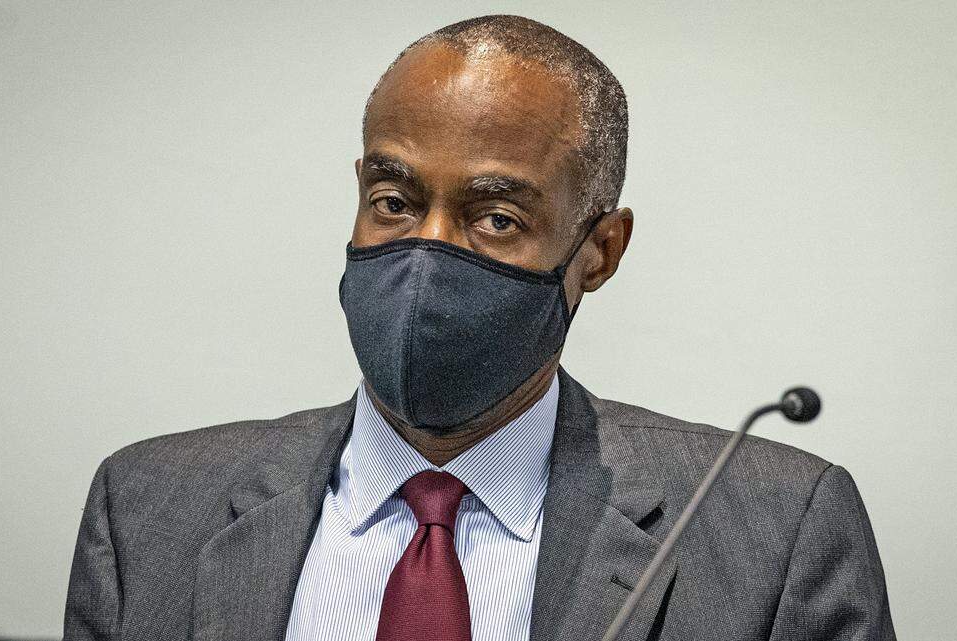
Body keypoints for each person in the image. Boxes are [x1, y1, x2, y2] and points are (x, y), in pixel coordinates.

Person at [64, 15, 895, 641]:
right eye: (393, 203)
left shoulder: (776, 527)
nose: (426, 253)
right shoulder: (145, 510)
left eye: (494, 217)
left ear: (599, 251)